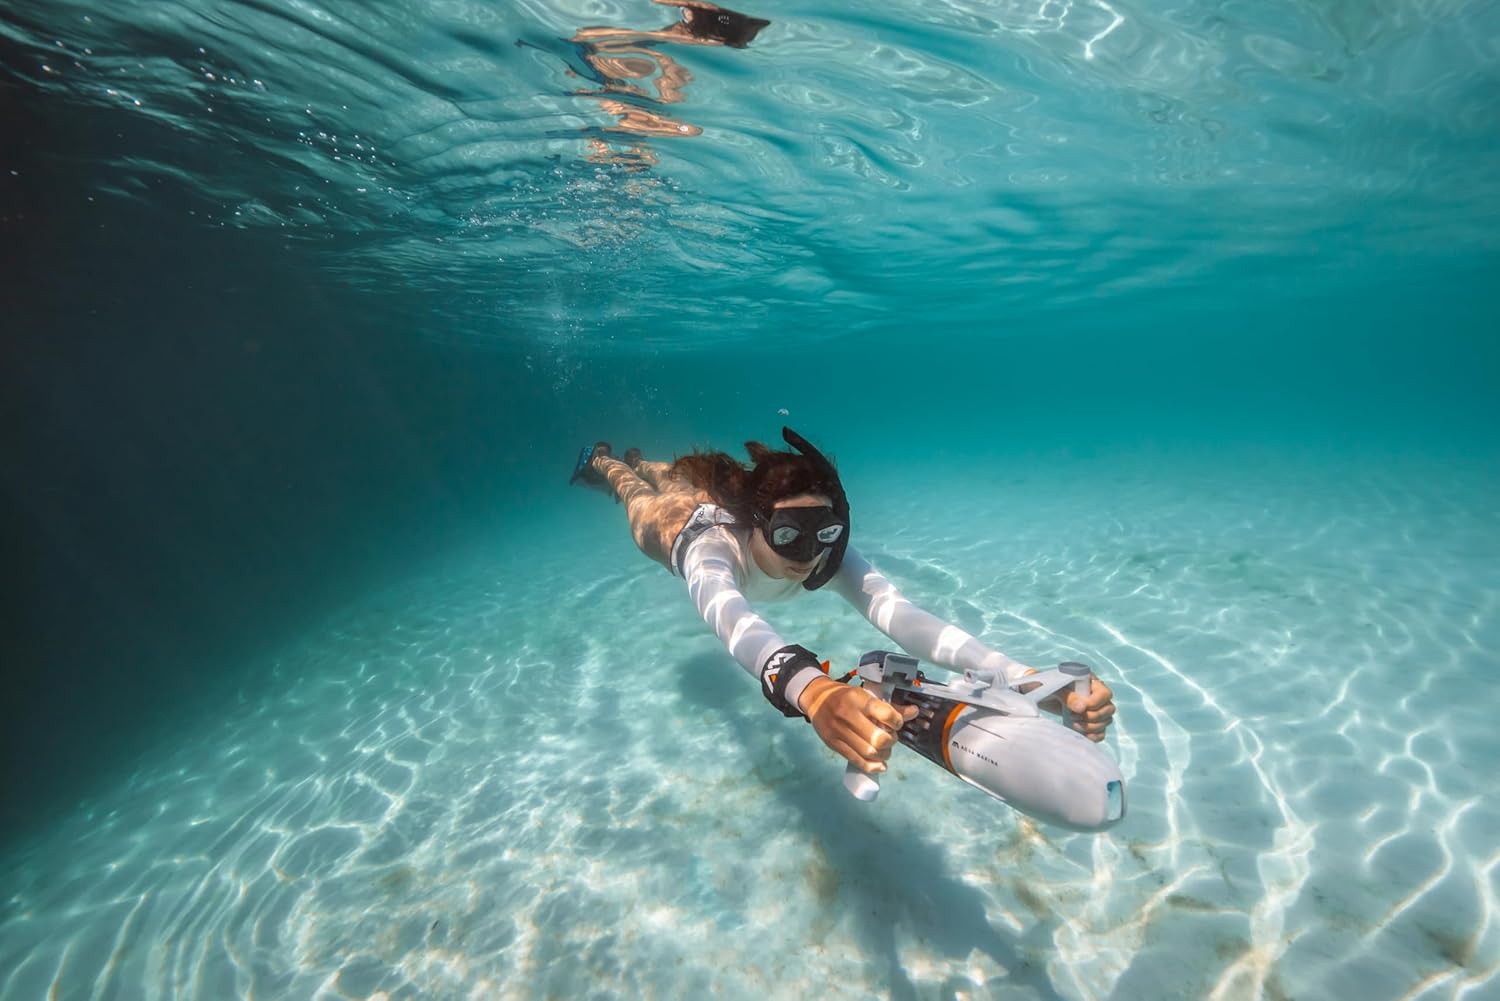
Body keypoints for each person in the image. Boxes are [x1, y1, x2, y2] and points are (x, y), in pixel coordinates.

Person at [570, 429, 1116, 779]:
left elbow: (903, 617)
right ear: (756, 525)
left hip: (734, 503)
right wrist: (814, 691)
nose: (809, 555)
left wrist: (1020, 676)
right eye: (789, 536)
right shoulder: (712, 552)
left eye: (824, 532)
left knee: (678, 473)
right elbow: (731, 617)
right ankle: (608, 461)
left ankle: (655, 462)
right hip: (679, 523)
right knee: (639, 493)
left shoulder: (828, 553)